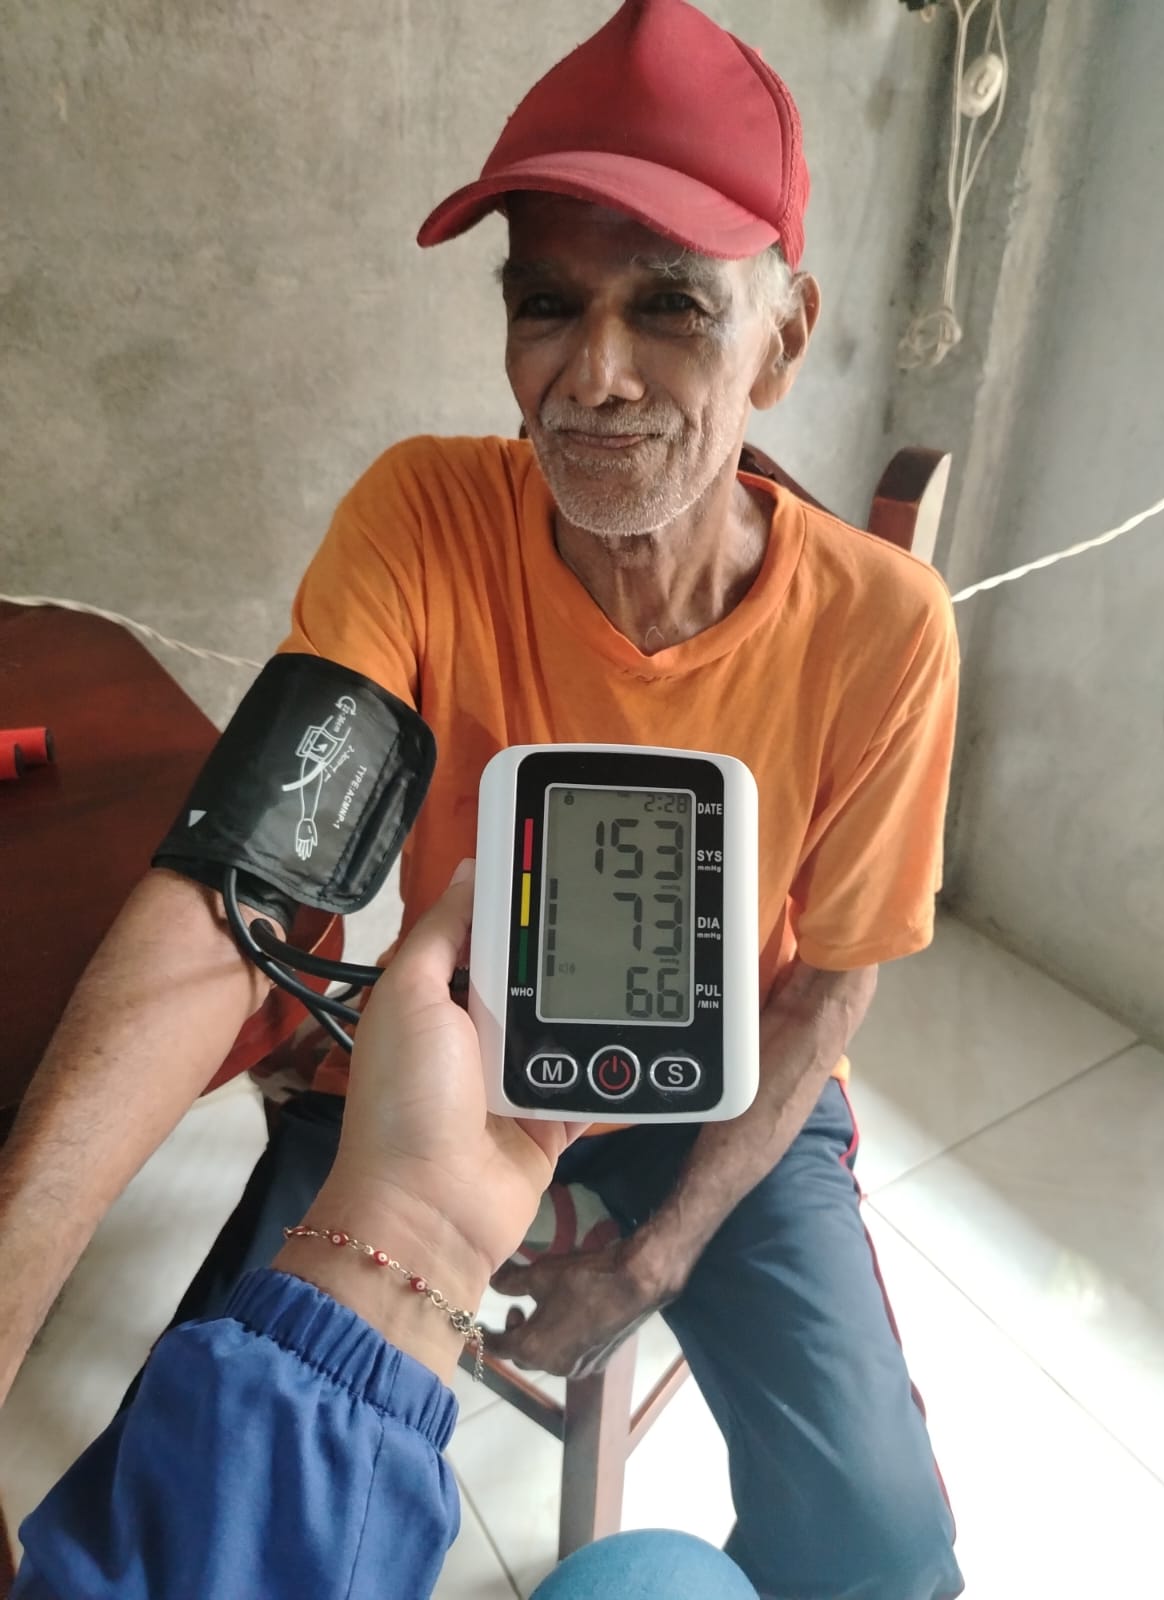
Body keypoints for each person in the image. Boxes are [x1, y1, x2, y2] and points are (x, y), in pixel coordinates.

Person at [0, 3, 964, 1596]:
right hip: (448, 1051)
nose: (594, 376)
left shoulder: (884, 630)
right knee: (215, 1452)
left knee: (883, 1541)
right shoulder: (424, 518)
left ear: (784, 340)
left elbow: (833, 984)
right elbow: (249, 880)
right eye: (545, 302)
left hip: (724, 1084)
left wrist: (659, 1255)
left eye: (671, 305)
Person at [11, 865, 757, 1598]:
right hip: (472, 1091)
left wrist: (657, 1257)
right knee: (687, 1579)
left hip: (690, 1111)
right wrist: (422, 1209)